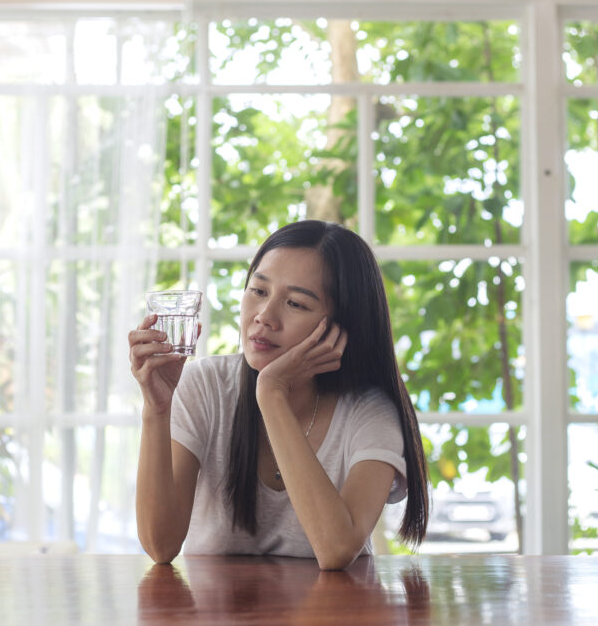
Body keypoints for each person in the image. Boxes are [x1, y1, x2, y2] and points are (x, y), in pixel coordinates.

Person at [129, 219, 428, 570]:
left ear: (340, 328)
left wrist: (271, 393)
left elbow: (336, 550)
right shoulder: (205, 385)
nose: (264, 317)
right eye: (258, 291)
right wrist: (156, 408)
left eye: (296, 304)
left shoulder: (370, 412)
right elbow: (159, 545)